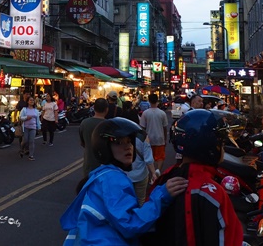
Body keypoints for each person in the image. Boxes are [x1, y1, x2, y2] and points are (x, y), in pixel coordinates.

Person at [60, 118, 188, 245]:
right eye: (118, 142)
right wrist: (163, 194)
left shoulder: (101, 175)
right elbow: (130, 224)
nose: (128, 147)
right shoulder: (113, 179)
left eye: (129, 141)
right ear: (104, 147)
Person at [142, 109, 243, 246]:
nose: (223, 149)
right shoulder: (212, 193)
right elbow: (230, 238)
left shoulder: (166, 180)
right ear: (211, 146)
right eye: (222, 144)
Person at [80, 98, 109, 181]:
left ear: (94, 108)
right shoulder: (109, 125)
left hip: (89, 164)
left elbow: (82, 143)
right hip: (105, 166)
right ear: (106, 109)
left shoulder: (84, 123)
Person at [140, 93, 169, 172]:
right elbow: (165, 127)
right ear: (157, 101)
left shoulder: (145, 113)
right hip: (160, 138)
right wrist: (165, 139)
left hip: (148, 138)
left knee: (149, 156)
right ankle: (158, 170)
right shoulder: (162, 113)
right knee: (160, 157)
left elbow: (142, 127)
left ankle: (152, 173)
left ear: (149, 101)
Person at [129, 132, 157, 206]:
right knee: (140, 200)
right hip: (141, 175)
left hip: (124, 175)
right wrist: (153, 173)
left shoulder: (118, 135)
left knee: (126, 201)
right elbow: (148, 159)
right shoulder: (142, 136)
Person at [19, 96, 40, 161]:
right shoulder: (24, 109)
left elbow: (37, 120)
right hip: (26, 127)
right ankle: (22, 149)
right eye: (30, 100)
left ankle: (31, 155)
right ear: (28, 102)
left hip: (33, 127)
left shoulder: (36, 110)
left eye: (33, 100)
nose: (32, 101)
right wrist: (26, 118)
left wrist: (38, 127)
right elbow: (20, 117)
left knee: (31, 141)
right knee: (25, 140)